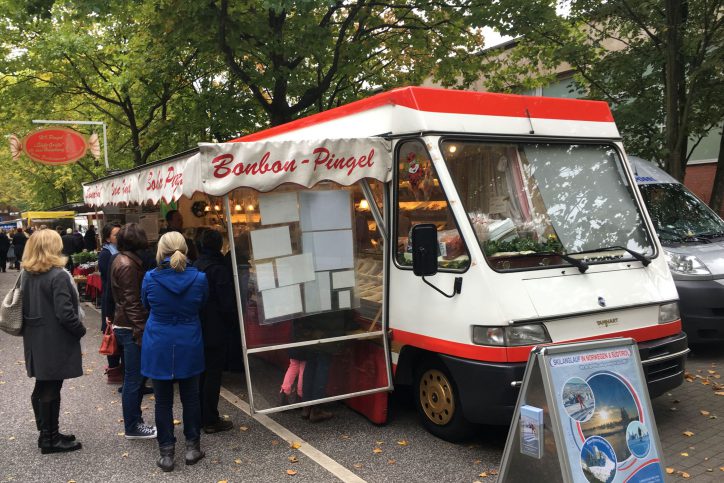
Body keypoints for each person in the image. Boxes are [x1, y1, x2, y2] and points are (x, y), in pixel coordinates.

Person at [141, 231, 208, 472]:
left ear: (161, 250)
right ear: (185, 249)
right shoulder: (199, 278)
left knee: (162, 401)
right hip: (189, 339)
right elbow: (202, 304)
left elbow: (145, 304)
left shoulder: (150, 278)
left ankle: (167, 454)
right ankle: (192, 447)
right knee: (191, 397)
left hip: (158, 341)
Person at [21, 229, 86, 454]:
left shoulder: (28, 273)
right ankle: (50, 438)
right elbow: (65, 313)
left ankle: (47, 433)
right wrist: (80, 330)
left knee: (42, 385)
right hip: (54, 339)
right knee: (51, 387)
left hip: (35, 336)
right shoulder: (57, 275)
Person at [110, 223, 156, 440]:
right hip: (131, 328)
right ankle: (133, 425)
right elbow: (132, 303)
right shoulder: (128, 265)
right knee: (134, 379)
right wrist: (143, 331)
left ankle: (135, 422)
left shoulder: (122, 260)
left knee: (134, 378)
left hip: (127, 326)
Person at [194, 229, 235, 433]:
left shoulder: (196, 265)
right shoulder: (218, 269)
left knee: (201, 374)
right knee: (212, 375)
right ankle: (210, 418)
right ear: (219, 245)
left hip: (197, 326)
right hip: (215, 327)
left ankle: (200, 415)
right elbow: (227, 304)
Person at [98, 223, 122, 384]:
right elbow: (108, 281)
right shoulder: (106, 254)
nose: (119, 236)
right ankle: (114, 372)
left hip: (116, 300)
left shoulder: (119, 252)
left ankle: (119, 371)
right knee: (112, 335)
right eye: (116, 234)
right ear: (108, 238)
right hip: (111, 299)